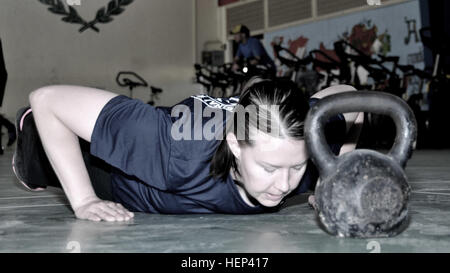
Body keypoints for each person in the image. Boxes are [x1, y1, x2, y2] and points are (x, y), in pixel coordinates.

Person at [12, 78, 363, 222]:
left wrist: (329, 181)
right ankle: (32, 141)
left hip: (219, 122)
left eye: (296, 168)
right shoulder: (175, 148)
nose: (285, 184)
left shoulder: (310, 143)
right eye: (270, 169)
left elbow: (351, 97)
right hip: (113, 171)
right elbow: (47, 99)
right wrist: (84, 200)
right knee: (40, 161)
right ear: (234, 146)